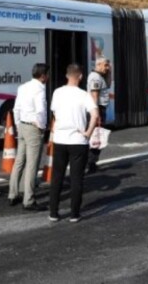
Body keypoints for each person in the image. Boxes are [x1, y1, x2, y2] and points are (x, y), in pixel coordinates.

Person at [48, 64, 99, 222]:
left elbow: (55, 114)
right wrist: (88, 132)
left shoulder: (57, 92)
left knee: (57, 176)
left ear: (66, 75)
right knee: (77, 178)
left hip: (60, 139)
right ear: (81, 77)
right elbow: (95, 115)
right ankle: (74, 214)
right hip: (78, 140)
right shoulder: (84, 95)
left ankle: (53, 213)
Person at [9, 63, 50, 210]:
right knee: (32, 164)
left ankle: (13, 194)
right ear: (43, 76)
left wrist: (18, 125)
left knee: (19, 161)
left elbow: (16, 109)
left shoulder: (23, 87)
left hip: (22, 126)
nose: (49, 77)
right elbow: (40, 111)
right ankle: (29, 200)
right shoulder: (39, 89)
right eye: (48, 74)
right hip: (33, 128)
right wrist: (42, 128)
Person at [86, 57, 111, 173]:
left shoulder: (100, 76)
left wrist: (109, 72)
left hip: (100, 109)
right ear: (99, 65)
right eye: (106, 65)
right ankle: (90, 163)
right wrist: (96, 113)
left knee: (97, 136)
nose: (107, 68)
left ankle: (91, 162)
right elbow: (94, 96)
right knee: (97, 136)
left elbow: (109, 85)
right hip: (98, 109)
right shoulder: (95, 77)